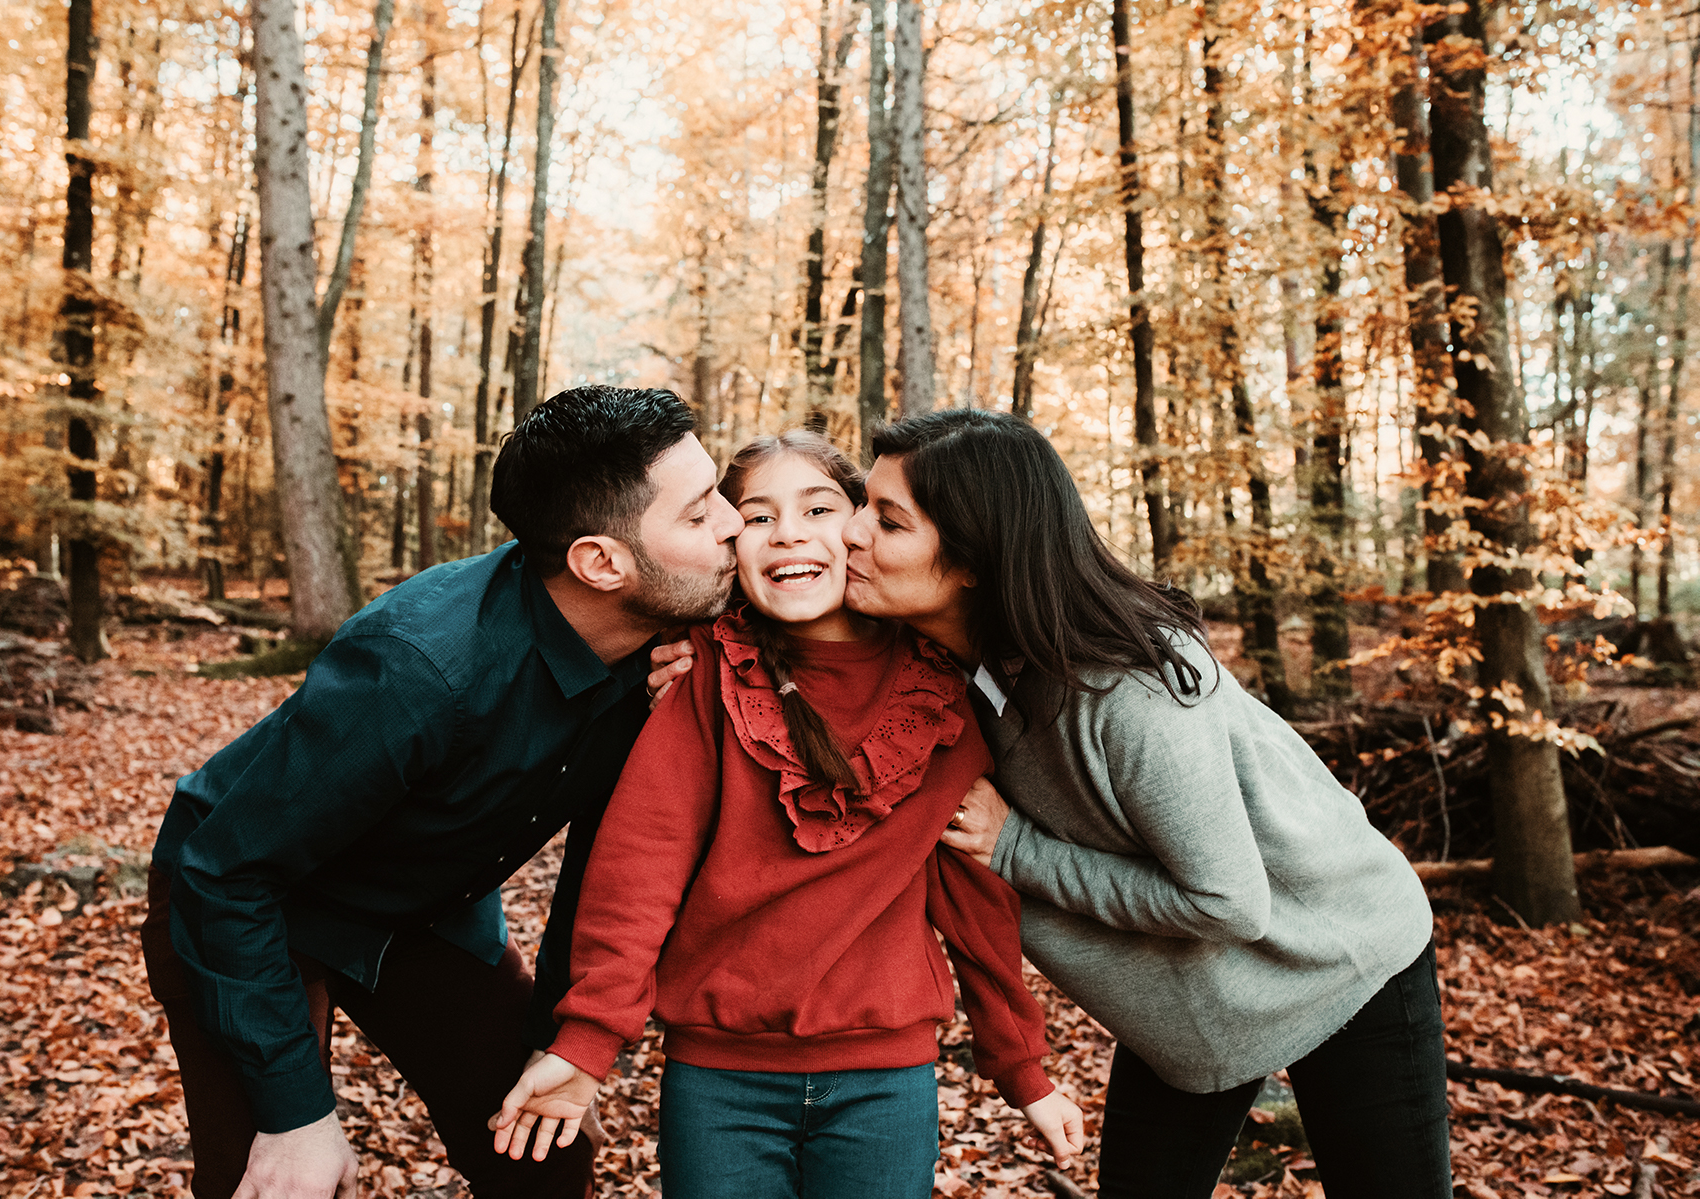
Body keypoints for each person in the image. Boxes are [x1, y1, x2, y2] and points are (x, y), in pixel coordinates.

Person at [139, 386, 744, 1199]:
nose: (734, 524)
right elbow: (226, 872)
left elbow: (606, 869)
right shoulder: (419, 669)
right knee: (279, 1183)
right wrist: (297, 1116)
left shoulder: (665, 645)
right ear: (602, 562)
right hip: (248, 903)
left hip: (425, 908)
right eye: (701, 513)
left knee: (544, 1151)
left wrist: (562, 1044)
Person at [837, 409, 1450, 1199]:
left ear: (975, 560)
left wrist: (1018, 850)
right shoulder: (934, 655)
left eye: (886, 519)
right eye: (862, 503)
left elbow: (1228, 900)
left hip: (1341, 956)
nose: (851, 532)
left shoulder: (1131, 693)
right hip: (1188, 999)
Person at [491, 431, 1085, 1199]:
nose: (791, 533)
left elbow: (975, 903)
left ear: (862, 529)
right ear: (731, 546)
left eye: (818, 508)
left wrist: (1023, 1068)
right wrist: (587, 1040)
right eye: (759, 517)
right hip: (719, 1081)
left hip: (886, 1079)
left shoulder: (939, 696)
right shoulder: (704, 672)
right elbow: (640, 864)